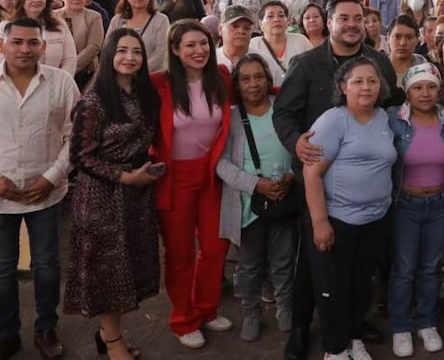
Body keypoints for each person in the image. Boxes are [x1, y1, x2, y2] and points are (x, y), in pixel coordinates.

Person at [273, 0, 401, 360]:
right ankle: (301, 328)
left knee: (359, 266)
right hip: (316, 179)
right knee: (314, 260)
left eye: (357, 18)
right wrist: (296, 142)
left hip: (365, 190)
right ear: (328, 22)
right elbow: (283, 113)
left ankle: (352, 327)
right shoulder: (307, 63)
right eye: (343, 18)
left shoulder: (377, 61)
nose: (350, 24)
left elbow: (389, 106)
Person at [63, 29, 161, 359]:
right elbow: (79, 156)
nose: (129, 57)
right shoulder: (95, 100)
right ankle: (113, 341)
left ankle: (108, 333)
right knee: (108, 274)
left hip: (136, 196)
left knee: (126, 270)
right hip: (101, 198)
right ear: (108, 56)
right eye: (121, 51)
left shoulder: (146, 94)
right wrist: (124, 177)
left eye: (136, 51)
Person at [304, 57, 398, 360]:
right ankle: (335, 348)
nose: (366, 86)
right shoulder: (333, 121)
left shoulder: (384, 118)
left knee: (361, 284)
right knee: (334, 288)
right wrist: (320, 223)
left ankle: (354, 334)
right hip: (338, 221)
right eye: (357, 81)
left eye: (372, 80)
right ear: (343, 87)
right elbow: (312, 173)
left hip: (375, 221)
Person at [150, 19, 234, 349]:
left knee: (215, 247)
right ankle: (183, 318)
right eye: (190, 45)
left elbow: (257, 90)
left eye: (204, 43)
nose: (199, 51)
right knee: (180, 252)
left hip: (212, 175)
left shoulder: (222, 77)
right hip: (173, 178)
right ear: (175, 50)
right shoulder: (159, 84)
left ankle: (206, 308)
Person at [0, 18, 80, 360]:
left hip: (46, 191)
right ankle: (6, 333)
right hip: (0, 195)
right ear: (3, 44)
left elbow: (76, 136)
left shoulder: (61, 82)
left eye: (32, 43)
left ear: (42, 46)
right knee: (2, 268)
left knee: (47, 265)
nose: (24, 49)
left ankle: (45, 328)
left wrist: (51, 176)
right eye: (17, 42)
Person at [216, 54, 297, 343]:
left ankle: (285, 305)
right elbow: (221, 163)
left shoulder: (283, 111)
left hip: (283, 199)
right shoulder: (233, 119)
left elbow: (300, 148)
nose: (254, 85)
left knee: (284, 260)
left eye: (259, 77)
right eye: (246, 79)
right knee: (249, 265)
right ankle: (251, 311)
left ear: (268, 79)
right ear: (237, 84)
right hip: (248, 204)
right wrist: (255, 184)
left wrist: (292, 176)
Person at [384, 63, 444, 358]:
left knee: (430, 268)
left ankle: (426, 322)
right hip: (406, 206)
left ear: (439, 90)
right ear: (407, 92)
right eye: (418, 87)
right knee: (403, 270)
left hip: (439, 205)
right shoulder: (393, 121)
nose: (425, 93)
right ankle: (401, 327)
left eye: (431, 87)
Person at [10, 0, 77, 76]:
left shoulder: (59, 24)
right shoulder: (7, 27)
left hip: (55, 85)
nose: (36, 0)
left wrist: (60, 83)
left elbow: (70, 59)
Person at [107, 0, 170, 73]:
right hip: (119, 74)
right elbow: (108, 48)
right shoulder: (117, 20)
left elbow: (161, 53)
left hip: (151, 76)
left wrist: (137, 72)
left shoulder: (161, 20)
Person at [248, 1, 313, 87]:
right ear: (261, 24)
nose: (276, 19)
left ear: (287, 21)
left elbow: (314, 69)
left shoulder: (301, 41)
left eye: (281, 16)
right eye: (270, 16)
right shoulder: (252, 45)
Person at [54, 0, 105, 89]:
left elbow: (94, 46)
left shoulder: (94, 16)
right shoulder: (52, 16)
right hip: (55, 71)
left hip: (85, 74)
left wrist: (70, 68)